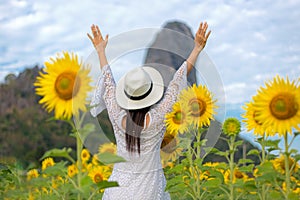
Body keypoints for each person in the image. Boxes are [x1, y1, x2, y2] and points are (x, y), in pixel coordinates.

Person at [88, 21, 211, 200]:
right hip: (149, 193)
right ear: (150, 94)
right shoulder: (158, 117)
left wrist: (100, 50)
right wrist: (197, 48)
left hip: (117, 192)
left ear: (126, 96)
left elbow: (108, 82)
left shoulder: (117, 115)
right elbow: (178, 79)